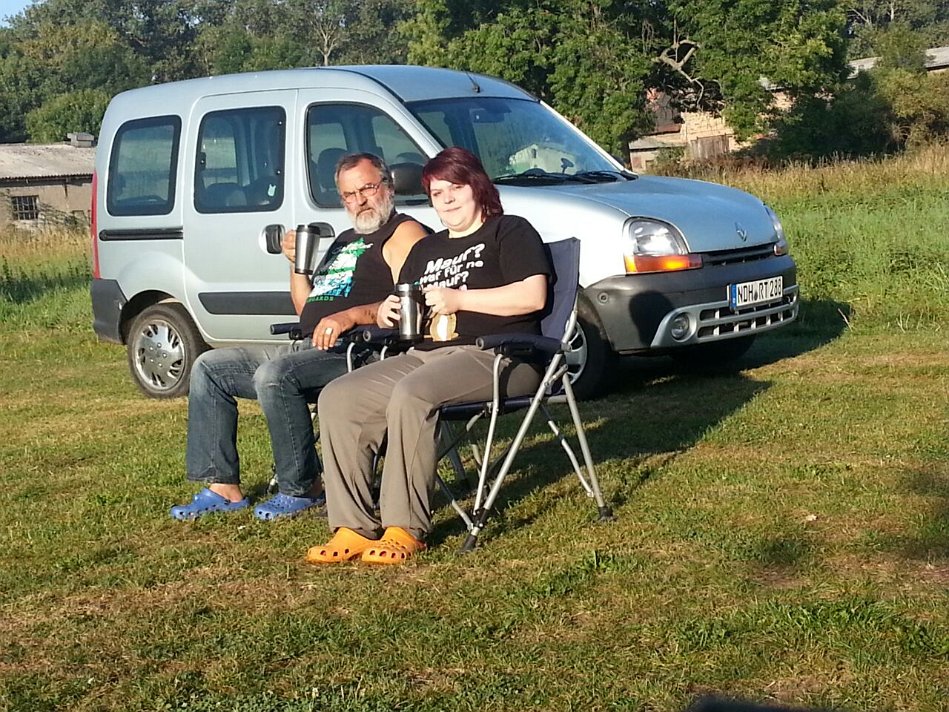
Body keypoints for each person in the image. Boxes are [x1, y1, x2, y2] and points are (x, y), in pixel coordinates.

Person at [307, 147, 552, 565]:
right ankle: (353, 526)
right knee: (339, 396)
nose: (447, 199)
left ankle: (404, 528)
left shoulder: (508, 231)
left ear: (477, 187)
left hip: (499, 354)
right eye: (437, 193)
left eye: (455, 188)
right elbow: (404, 302)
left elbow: (533, 296)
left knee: (413, 392)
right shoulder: (427, 249)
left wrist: (461, 299)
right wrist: (386, 311)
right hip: (425, 354)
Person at [170, 153, 429, 521]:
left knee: (275, 375)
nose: (359, 201)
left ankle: (304, 486)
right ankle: (223, 486)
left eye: (367, 188)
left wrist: (352, 315)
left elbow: (410, 303)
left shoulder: (404, 233)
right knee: (210, 367)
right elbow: (307, 309)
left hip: (362, 352)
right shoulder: (346, 240)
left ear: (388, 187)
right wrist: (296, 265)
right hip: (311, 346)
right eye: (349, 194)